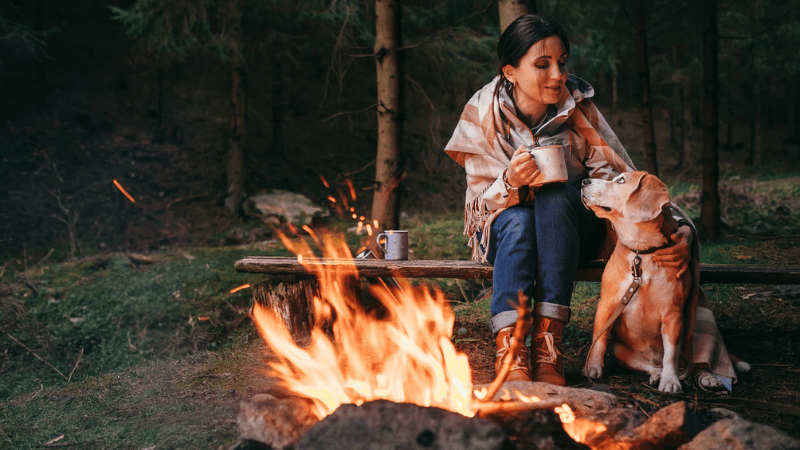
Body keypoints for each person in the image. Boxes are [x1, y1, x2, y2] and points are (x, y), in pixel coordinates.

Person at [444, 14, 736, 389]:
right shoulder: (482, 114)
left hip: (568, 234)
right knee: (518, 222)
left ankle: (549, 343)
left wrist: (674, 229)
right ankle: (512, 347)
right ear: (510, 72)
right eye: (542, 64)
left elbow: (625, 183)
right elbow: (480, 208)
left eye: (562, 62)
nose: (557, 75)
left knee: (556, 192)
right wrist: (509, 181)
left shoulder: (578, 111)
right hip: (504, 233)